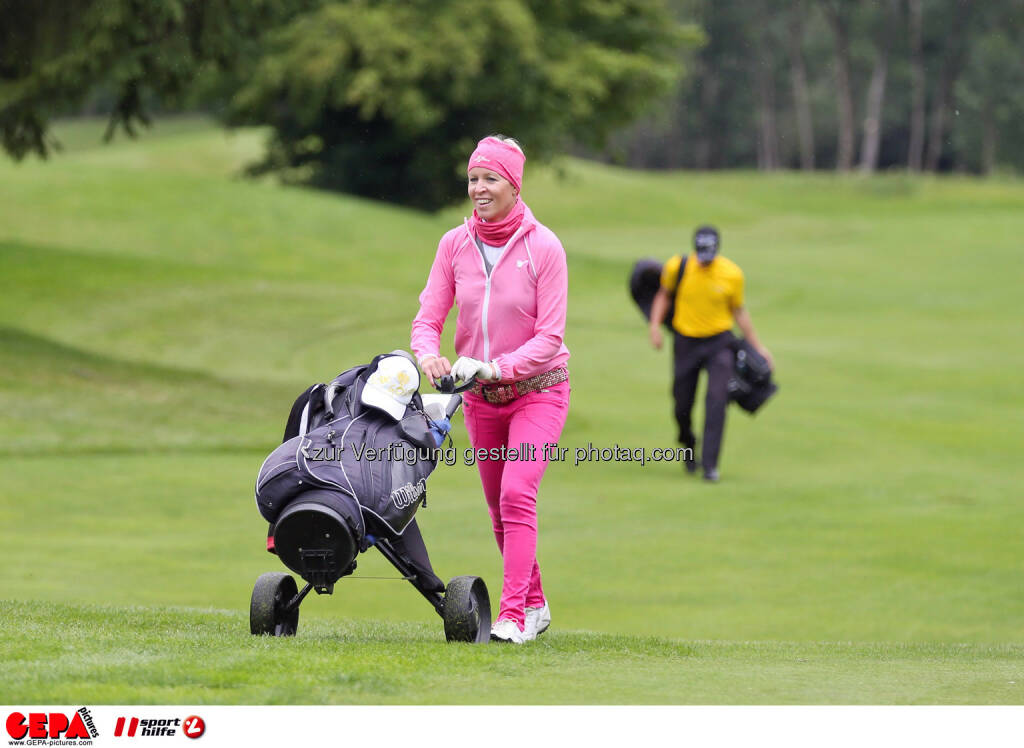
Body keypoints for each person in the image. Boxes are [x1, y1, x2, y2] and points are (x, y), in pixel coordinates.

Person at [411, 135, 570, 644]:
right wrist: (428, 354)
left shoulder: (543, 246)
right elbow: (428, 316)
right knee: (499, 508)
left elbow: (550, 338)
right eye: (473, 179)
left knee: (518, 494)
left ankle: (513, 617)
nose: (479, 189)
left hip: (538, 392)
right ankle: (537, 603)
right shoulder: (453, 244)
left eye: (490, 179)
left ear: (514, 184)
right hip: (480, 400)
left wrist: (497, 368)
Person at [648, 225, 772, 483]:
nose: (705, 260)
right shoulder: (677, 267)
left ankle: (710, 465)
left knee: (717, 399)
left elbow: (739, 312)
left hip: (720, 343)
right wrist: (655, 326)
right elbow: (664, 295)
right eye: (701, 254)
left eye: (710, 254)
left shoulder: (732, 274)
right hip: (686, 342)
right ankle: (688, 443)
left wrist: (758, 347)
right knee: (682, 402)